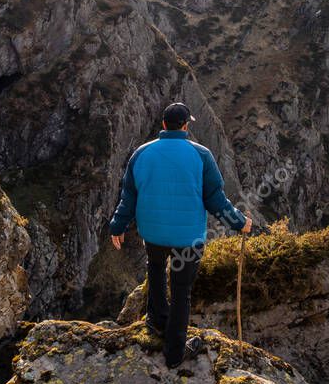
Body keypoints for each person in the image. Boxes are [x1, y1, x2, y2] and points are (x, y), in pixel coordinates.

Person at [108, 102, 251, 368]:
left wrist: (117, 225)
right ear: (185, 126)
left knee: (157, 272)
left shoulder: (141, 153)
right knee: (181, 290)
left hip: (152, 231)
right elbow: (216, 200)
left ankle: (157, 322)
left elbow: (128, 195)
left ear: (163, 124)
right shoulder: (201, 155)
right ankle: (175, 353)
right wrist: (239, 222)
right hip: (188, 237)